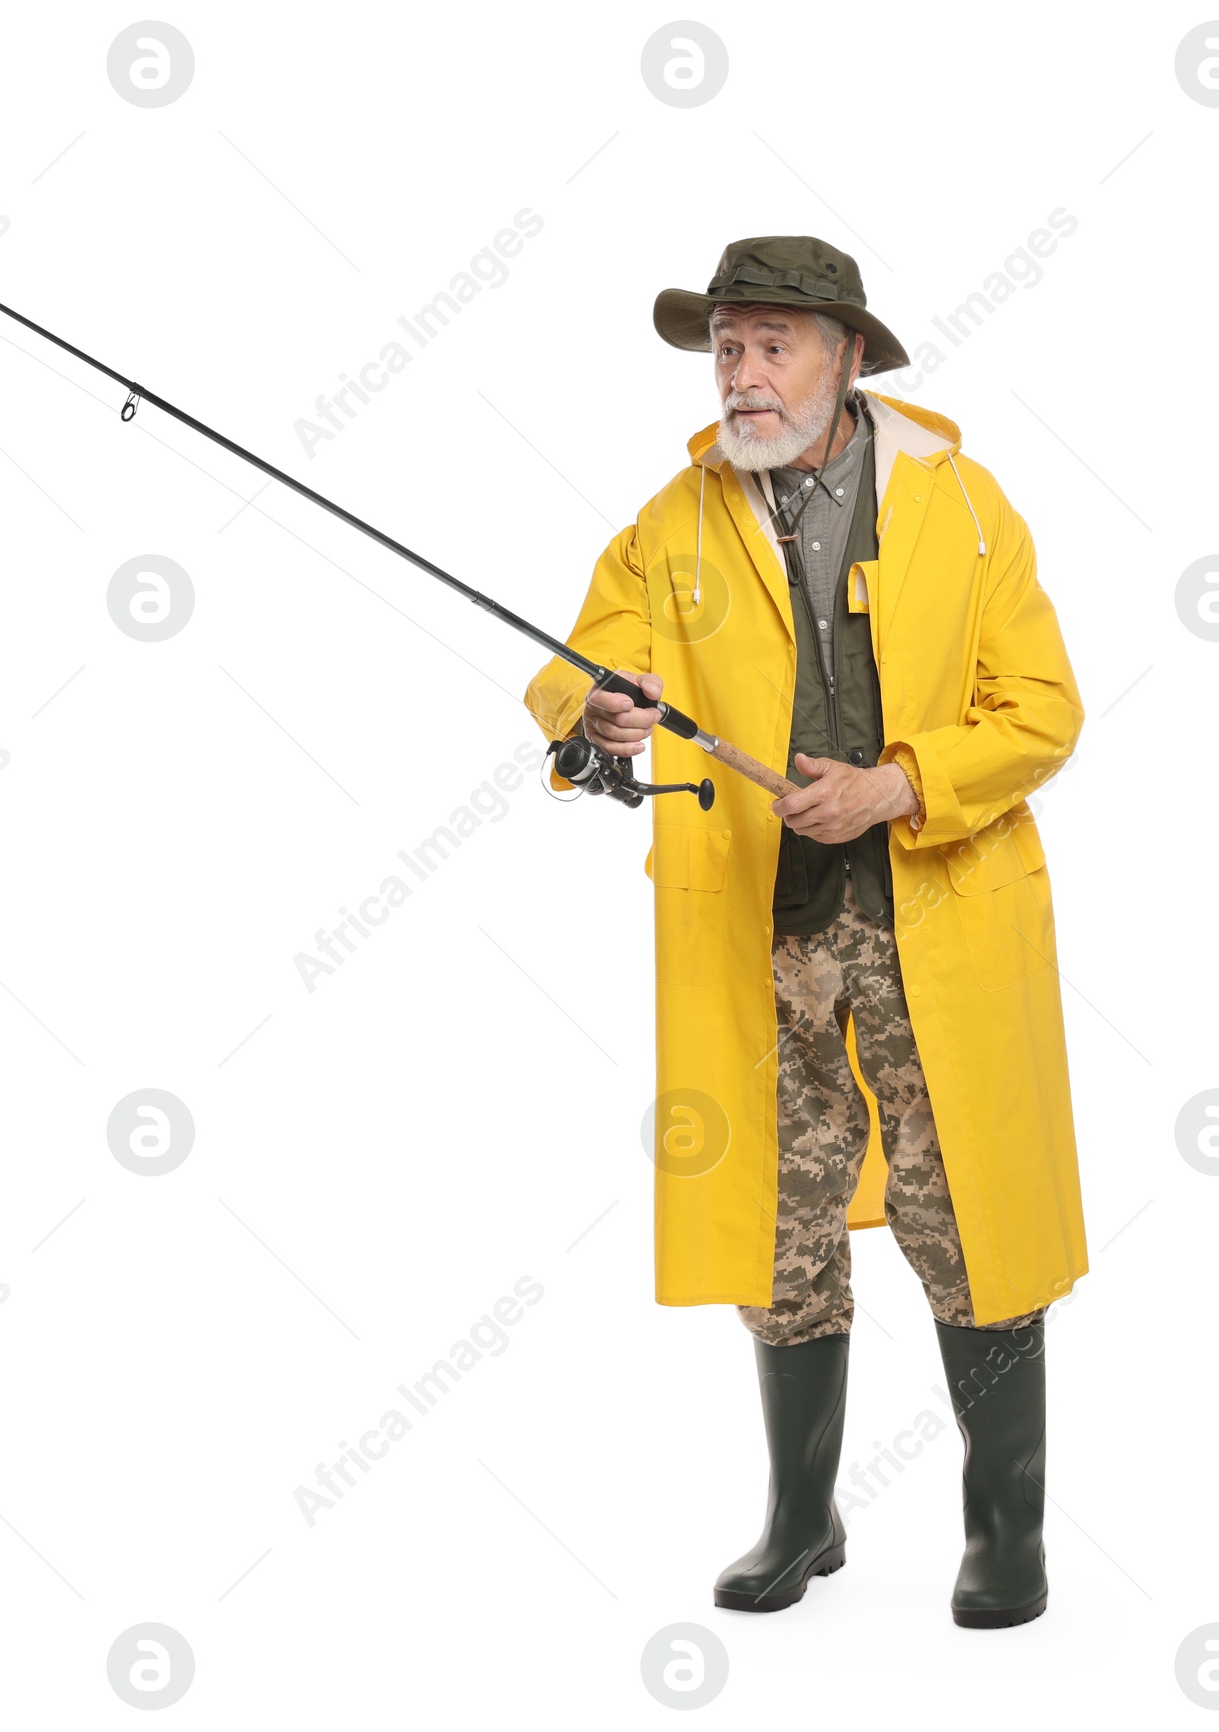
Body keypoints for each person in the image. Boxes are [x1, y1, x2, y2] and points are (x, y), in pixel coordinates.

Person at [523, 237, 1087, 1628]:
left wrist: (901, 784)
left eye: (773, 343)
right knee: (779, 1232)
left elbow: (1045, 710)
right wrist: (593, 714)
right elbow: (581, 661)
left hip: (933, 921)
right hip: (758, 938)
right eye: (726, 345)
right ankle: (801, 1516)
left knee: (972, 1223)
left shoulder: (963, 508)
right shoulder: (672, 521)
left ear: (847, 358)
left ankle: (1004, 1530)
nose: (742, 372)